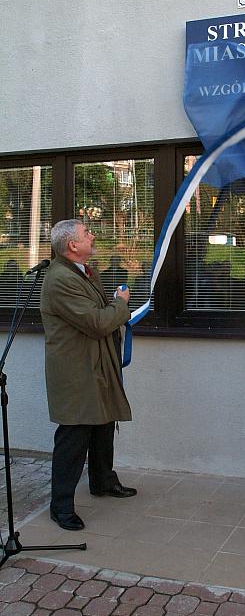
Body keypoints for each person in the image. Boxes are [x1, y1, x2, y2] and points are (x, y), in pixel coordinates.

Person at [40, 219, 137, 531]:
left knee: (103, 424)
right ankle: (61, 507)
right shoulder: (59, 279)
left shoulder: (82, 272)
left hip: (96, 364)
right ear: (72, 245)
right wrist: (121, 305)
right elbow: (96, 322)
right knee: (75, 434)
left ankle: (103, 481)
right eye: (86, 233)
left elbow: (97, 314)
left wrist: (113, 308)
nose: (92, 235)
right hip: (76, 370)